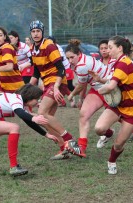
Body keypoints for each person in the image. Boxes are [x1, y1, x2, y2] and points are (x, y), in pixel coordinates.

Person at [65, 36, 133, 174]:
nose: (106, 50)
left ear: (119, 48)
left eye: (109, 47)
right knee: (98, 128)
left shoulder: (122, 63)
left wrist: (99, 90)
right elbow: (113, 78)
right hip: (115, 99)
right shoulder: (112, 62)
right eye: (104, 48)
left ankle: (113, 159)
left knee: (119, 142)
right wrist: (100, 80)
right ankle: (89, 144)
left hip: (129, 103)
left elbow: (110, 85)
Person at [0, 84, 58, 176]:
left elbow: (28, 121)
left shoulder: (17, 100)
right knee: (14, 127)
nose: (38, 102)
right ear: (30, 97)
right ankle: (14, 167)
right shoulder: (16, 99)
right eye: (37, 99)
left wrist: (46, 134)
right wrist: (33, 118)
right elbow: (21, 113)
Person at [29, 20, 74, 160]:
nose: (36, 34)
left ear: (42, 32)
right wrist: (26, 89)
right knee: (44, 120)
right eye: (33, 31)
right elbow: (36, 72)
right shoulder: (33, 50)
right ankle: (64, 148)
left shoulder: (49, 45)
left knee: (41, 113)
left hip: (57, 82)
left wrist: (55, 87)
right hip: (48, 84)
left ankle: (69, 138)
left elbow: (61, 68)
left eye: (38, 31)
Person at [64, 39, 114, 157]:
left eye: (72, 57)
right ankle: (81, 147)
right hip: (97, 89)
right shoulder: (81, 60)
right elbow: (85, 82)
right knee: (83, 115)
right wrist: (81, 99)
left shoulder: (82, 65)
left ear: (79, 54)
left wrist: (71, 95)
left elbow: (81, 85)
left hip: (110, 89)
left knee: (125, 118)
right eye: (68, 58)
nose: (70, 60)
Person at [48, 35, 76, 107]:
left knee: (68, 86)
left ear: (54, 42)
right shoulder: (50, 48)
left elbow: (60, 59)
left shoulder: (57, 48)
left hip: (66, 69)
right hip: (60, 70)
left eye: (50, 42)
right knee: (62, 86)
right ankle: (62, 102)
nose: (48, 43)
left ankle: (79, 93)